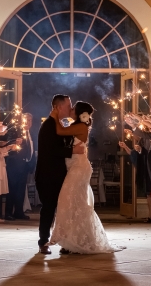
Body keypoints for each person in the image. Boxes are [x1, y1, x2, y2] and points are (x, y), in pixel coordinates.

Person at [49, 101, 123, 254]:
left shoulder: (81, 127)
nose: (71, 110)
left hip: (79, 168)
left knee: (68, 200)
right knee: (73, 203)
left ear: (79, 113)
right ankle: (72, 241)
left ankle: (77, 240)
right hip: (72, 167)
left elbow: (59, 131)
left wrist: (54, 115)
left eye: (73, 109)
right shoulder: (72, 124)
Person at [35, 94, 85, 254]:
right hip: (47, 175)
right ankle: (43, 241)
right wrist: (73, 150)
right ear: (58, 107)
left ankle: (67, 242)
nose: (70, 108)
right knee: (49, 208)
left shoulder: (61, 123)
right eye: (68, 105)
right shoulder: (49, 125)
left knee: (65, 208)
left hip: (61, 174)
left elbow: (72, 128)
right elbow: (51, 150)